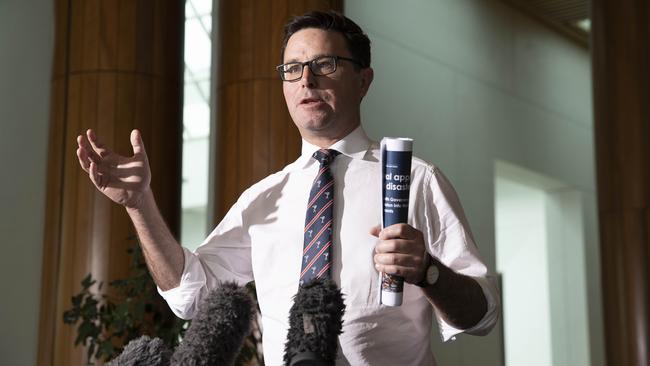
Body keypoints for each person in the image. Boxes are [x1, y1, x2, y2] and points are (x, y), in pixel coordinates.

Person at [76, 10, 499, 366]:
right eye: (293, 69)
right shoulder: (262, 198)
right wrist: (139, 204)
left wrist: (428, 271)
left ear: (363, 80)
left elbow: (482, 315)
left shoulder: (415, 181)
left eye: (325, 64)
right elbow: (190, 295)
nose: (306, 80)